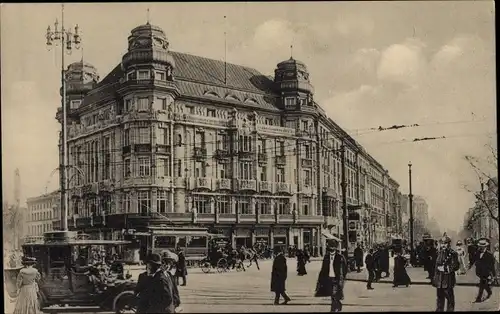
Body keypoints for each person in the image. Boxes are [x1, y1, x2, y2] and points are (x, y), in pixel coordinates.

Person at [315, 238, 347, 312]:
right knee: (333, 295)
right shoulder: (326, 257)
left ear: (335, 248)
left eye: (333, 247)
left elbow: (345, 269)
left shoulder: (340, 257)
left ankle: (333, 309)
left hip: (337, 279)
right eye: (330, 247)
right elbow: (323, 269)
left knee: (334, 295)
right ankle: (338, 305)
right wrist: (320, 280)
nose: (331, 248)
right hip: (329, 279)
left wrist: (342, 278)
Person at [432, 235, 459, 312]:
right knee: (439, 300)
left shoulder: (453, 254)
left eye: (445, 243)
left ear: (449, 244)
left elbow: (456, 266)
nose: (443, 245)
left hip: (448, 280)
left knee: (450, 300)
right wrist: (435, 279)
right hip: (439, 281)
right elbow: (436, 267)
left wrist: (445, 268)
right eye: (442, 243)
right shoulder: (439, 253)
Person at [473, 238, 496, 303]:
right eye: (480, 246)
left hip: (486, 272)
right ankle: (489, 291)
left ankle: (478, 298)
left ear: (485, 246)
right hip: (479, 271)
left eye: (482, 246)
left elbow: (492, 265)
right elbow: (475, 260)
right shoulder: (477, 253)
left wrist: (493, 275)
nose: (480, 247)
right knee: (484, 283)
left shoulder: (489, 255)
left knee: (482, 284)